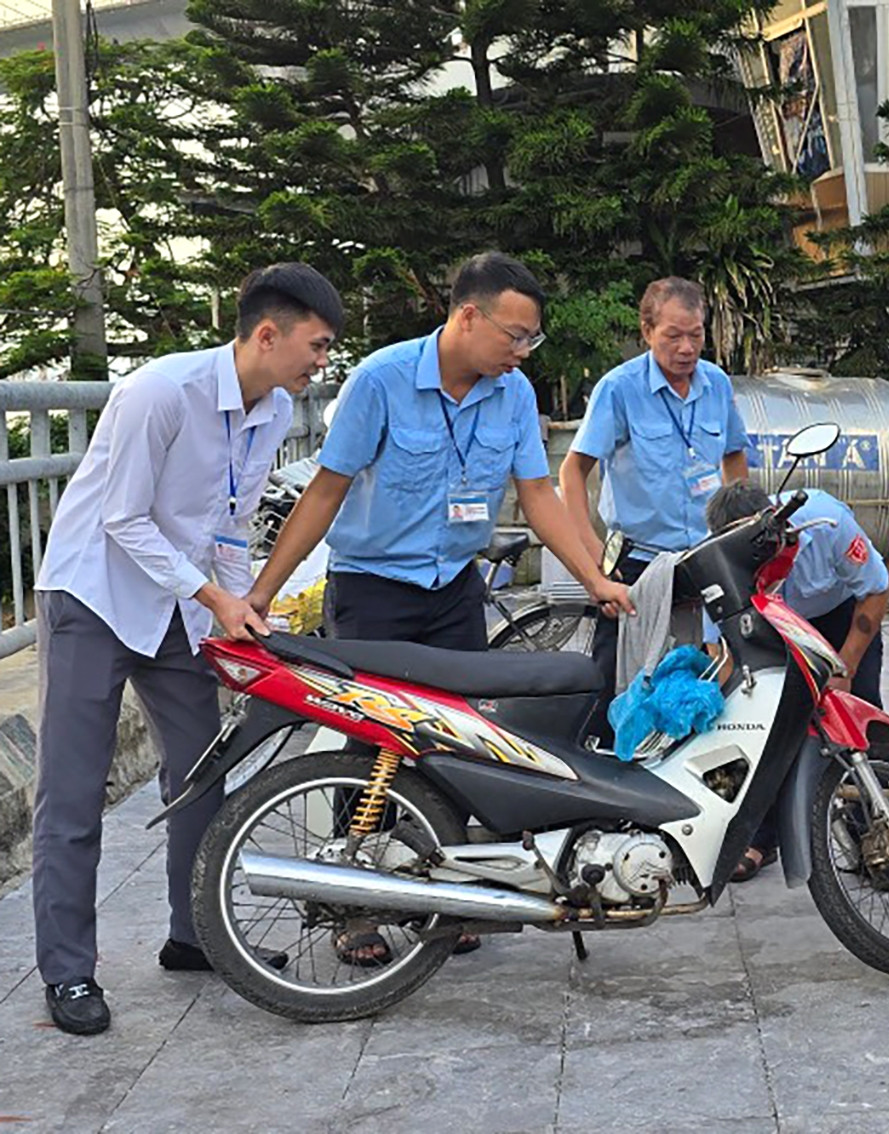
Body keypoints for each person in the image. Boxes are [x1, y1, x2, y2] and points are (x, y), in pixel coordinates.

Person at [247, 251, 632, 965]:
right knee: (372, 744)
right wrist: (263, 592)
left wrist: (595, 576)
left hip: (453, 589)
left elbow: (540, 494)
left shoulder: (512, 394)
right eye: (514, 336)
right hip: (372, 592)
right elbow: (326, 490)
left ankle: (444, 897)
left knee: (457, 742)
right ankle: (352, 904)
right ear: (467, 317)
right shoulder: (382, 381)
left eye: (530, 340)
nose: (522, 353)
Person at [31, 263, 343, 1036]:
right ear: (266, 334)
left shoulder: (271, 410)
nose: (321, 364)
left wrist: (244, 612)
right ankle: (68, 973)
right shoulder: (160, 393)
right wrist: (213, 598)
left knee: (201, 774)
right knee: (72, 795)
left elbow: (228, 526)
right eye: (317, 345)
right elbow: (122, 519)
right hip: (92, 596)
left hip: (176, 603)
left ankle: (195, 933)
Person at [559, 277, 750, 743]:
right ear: (647, 331)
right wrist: (595, 561)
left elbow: (733, 457)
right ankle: (599, 770)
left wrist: (741, 531)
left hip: (704, 558)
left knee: (710, 670)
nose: (687, 348)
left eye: (696, 334)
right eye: (673, 336)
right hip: (638, 561)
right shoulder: (619, 389)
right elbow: (571, 473)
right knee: (620, 678)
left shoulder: (716, 384)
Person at [703, 480, 889, 882]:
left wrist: (845, 670)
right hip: (775, 628)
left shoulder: (826, 522)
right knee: (768, 728)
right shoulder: (719, 560)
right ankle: (759, 837)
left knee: (857, 719)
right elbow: (716, 644)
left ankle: (874, 834)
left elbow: (875, 591)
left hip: (842, 618)